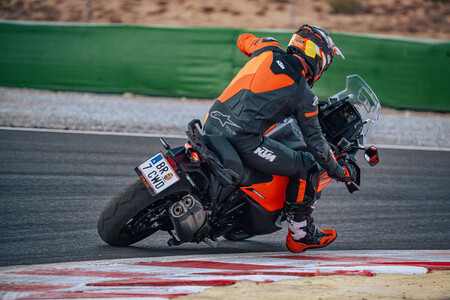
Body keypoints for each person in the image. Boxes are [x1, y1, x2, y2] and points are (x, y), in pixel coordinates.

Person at [204, 25, 356, 253]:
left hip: (212, 121)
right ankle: (300, 234)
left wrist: (254, 47)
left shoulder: (266, 47)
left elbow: (243, 39)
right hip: (241, 140)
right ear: (317, 57)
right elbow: (317, 144)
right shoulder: (304, 95)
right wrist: (338, 170)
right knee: (306, 165)